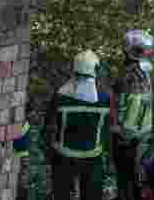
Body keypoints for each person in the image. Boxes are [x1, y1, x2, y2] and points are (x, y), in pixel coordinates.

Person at [45, 50, 112, 200]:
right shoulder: (105, 98)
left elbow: (48, 126)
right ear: (95, 70)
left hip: (64, 156)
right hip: (93, 158)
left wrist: (49, 151)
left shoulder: (61, 96)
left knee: (61, 195)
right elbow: (107, 130)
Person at [111, 30, 154, 200]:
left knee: (131, 178)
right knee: (133, 178)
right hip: (131, 135)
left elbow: (116, 102)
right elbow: (115, 102)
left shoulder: (143, 73)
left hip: (134, 135)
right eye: (142, 51)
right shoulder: (136, 74)